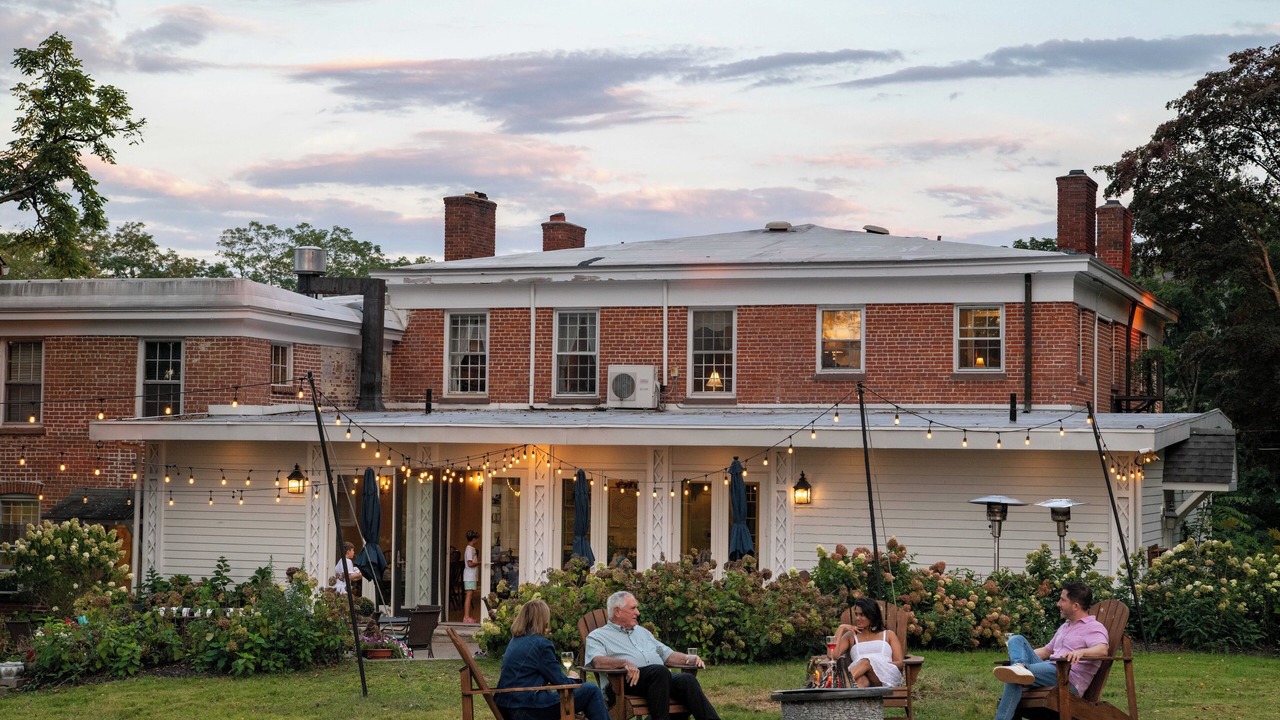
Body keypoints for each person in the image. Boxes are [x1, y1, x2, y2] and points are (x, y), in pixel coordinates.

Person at [584, 590, 720, 720]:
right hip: (623, 682)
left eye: (637, 608)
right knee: (659, 671)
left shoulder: (642, 632)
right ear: (617, 612)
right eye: (633, 608)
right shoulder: (598, 636)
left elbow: (666, 654)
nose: (637, 613)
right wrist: (623, 663)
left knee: (687, 680)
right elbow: (597, 661)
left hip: (659, 679)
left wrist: (688, 658)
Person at [991, 582, 1110, 720]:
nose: (1058, 604)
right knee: (1016, 640)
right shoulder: (1065, 627)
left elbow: (1102, 650)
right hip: (1052, 670)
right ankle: (1019, 666)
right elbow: (1047, 651)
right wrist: (1020, 656)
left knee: (1014, 676)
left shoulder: (1093, 627)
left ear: (1075, 606)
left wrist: (1081, 652)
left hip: (1066, 678)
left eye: (1063, 600)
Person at [496, 599, 609, 720]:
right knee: (590, 690)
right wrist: (574, 680)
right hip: (528, 709)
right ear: (543, 620)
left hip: (506, 707)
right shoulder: (541, 645)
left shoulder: (515, 641)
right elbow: (561, 683)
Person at [829, 597, 904, 688]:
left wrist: (876, 664)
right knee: (861, 681)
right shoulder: (851, 636)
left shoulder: (888, 635)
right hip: (858, 675)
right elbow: (833, 655)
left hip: (885, 675)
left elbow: (900, 663)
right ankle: (851, 698)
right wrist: (841, 628)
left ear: (872, 615)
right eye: (856, 614)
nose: (857, 618)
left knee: (866, 662)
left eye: (862, 615)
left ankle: (836, 685)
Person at [462, 529, 480, 623]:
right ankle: (466, 616)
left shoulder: (471, 549)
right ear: (473, 539)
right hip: (469, 575)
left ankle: (467, 616)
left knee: (470, 595)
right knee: (468, 595)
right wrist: (478, 563)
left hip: (471, 575)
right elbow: (470, 563)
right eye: (476, 539)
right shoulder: (469, 549)